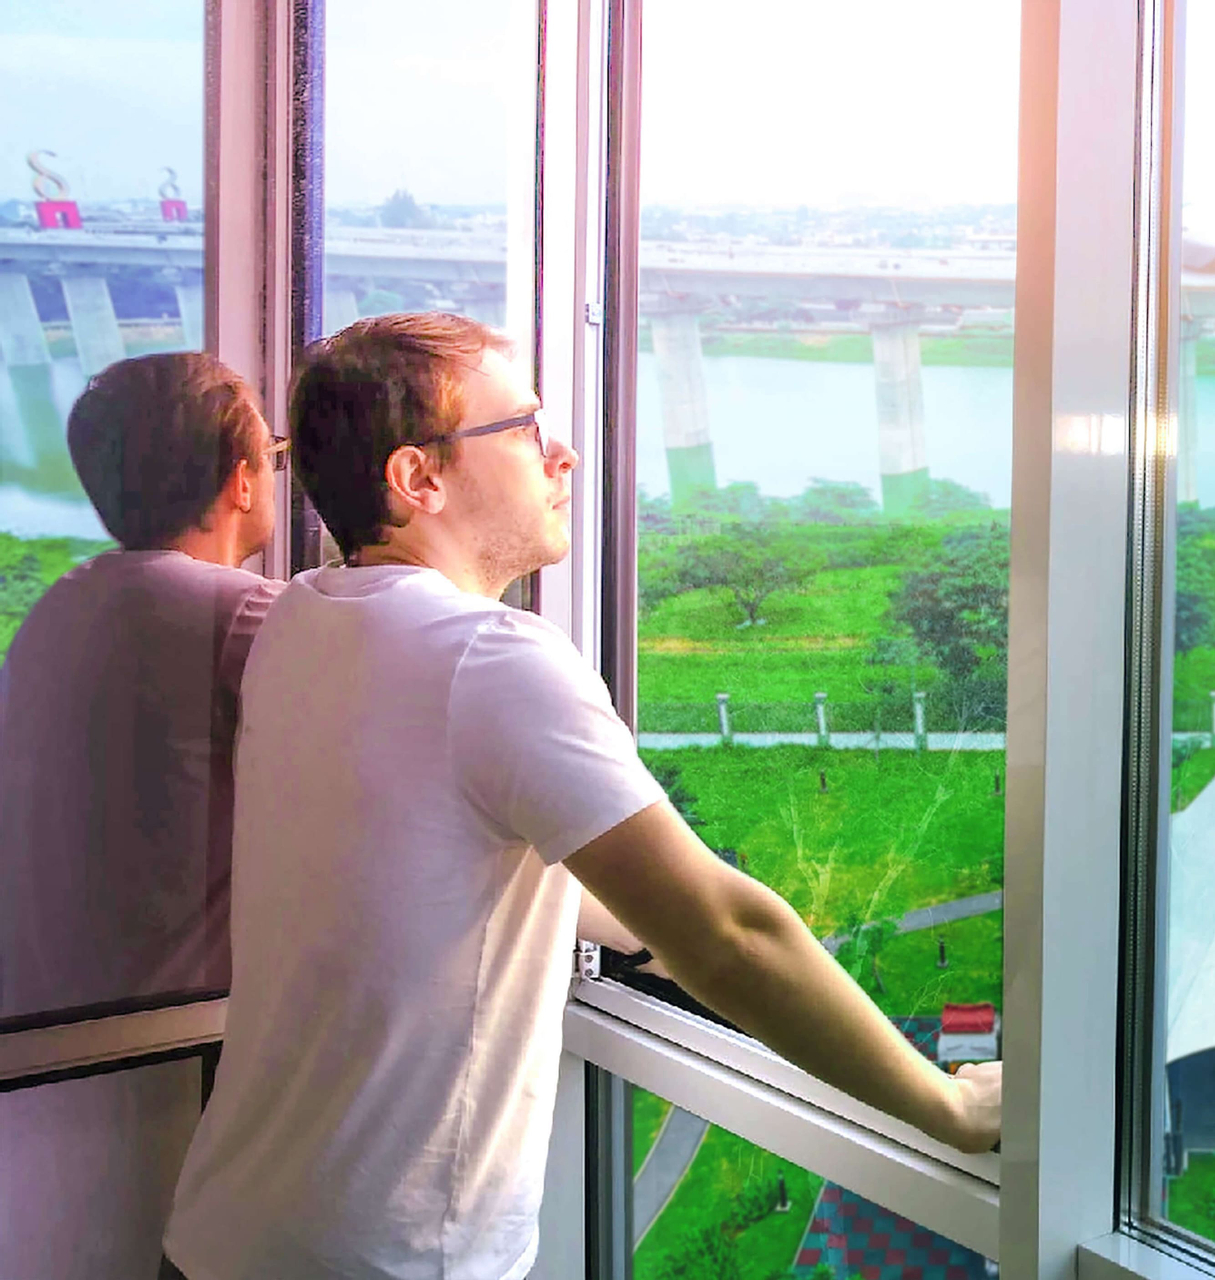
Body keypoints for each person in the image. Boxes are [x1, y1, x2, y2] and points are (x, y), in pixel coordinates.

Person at [161, 312, 999, 1280]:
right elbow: (729, 935)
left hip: (217, 1233)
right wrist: (947, 1104)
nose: (561, 454)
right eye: (523, 428)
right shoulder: (488, 659)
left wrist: (643, 924)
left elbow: (423, 856)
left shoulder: (304, 619)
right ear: (418, 478)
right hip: (379, 1262)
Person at [0, 351, 285, 1280]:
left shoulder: (62, 603)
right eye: (273, 455)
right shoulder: (243, 616)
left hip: (55, 1044)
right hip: (169, 1058)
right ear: (241, 480)